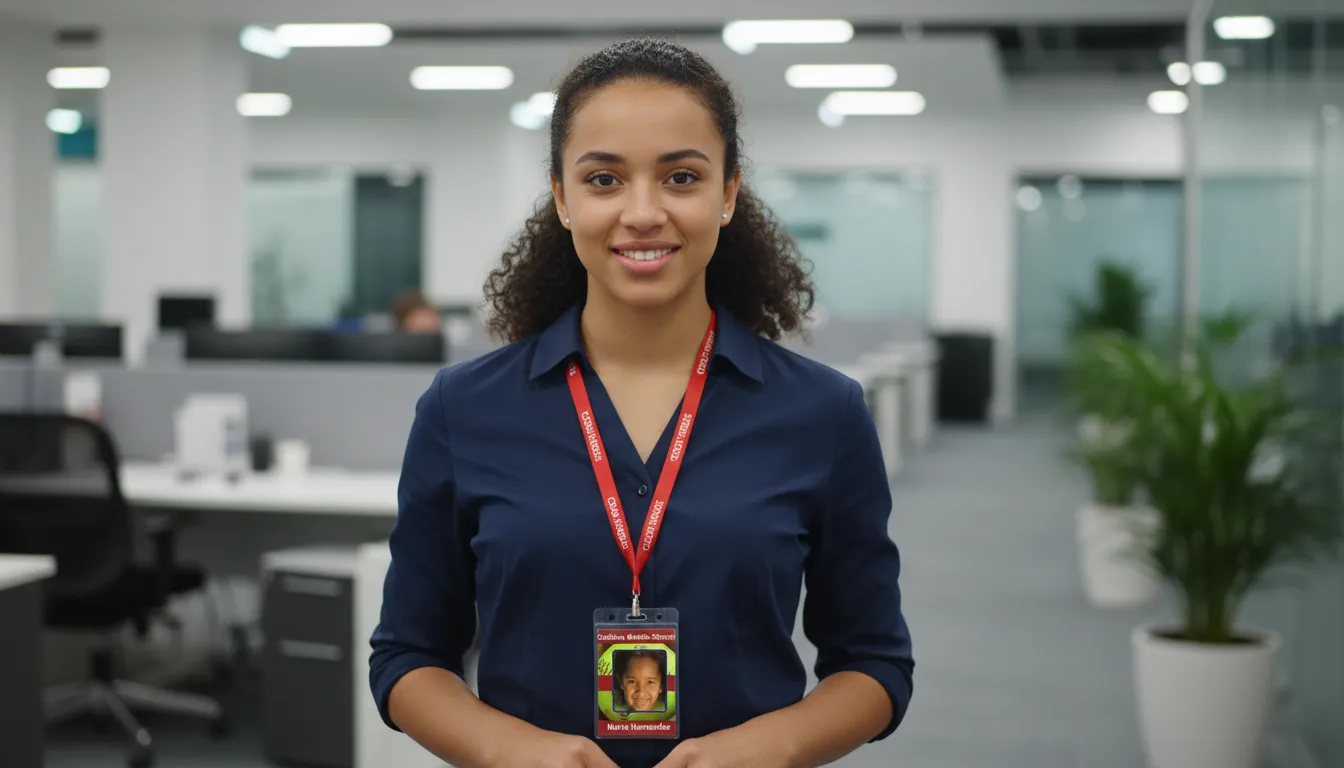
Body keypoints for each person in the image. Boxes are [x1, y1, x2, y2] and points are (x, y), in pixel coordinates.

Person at [369, 37, 913, 768]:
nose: (644, 211)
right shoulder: (462, 409)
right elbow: (407, 655)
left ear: (728, 194)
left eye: (682, 177)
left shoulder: (823, 413)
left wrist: (770, 747)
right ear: (562, 198)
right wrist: (511, 751)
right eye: (604, 180)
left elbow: (875, 661)